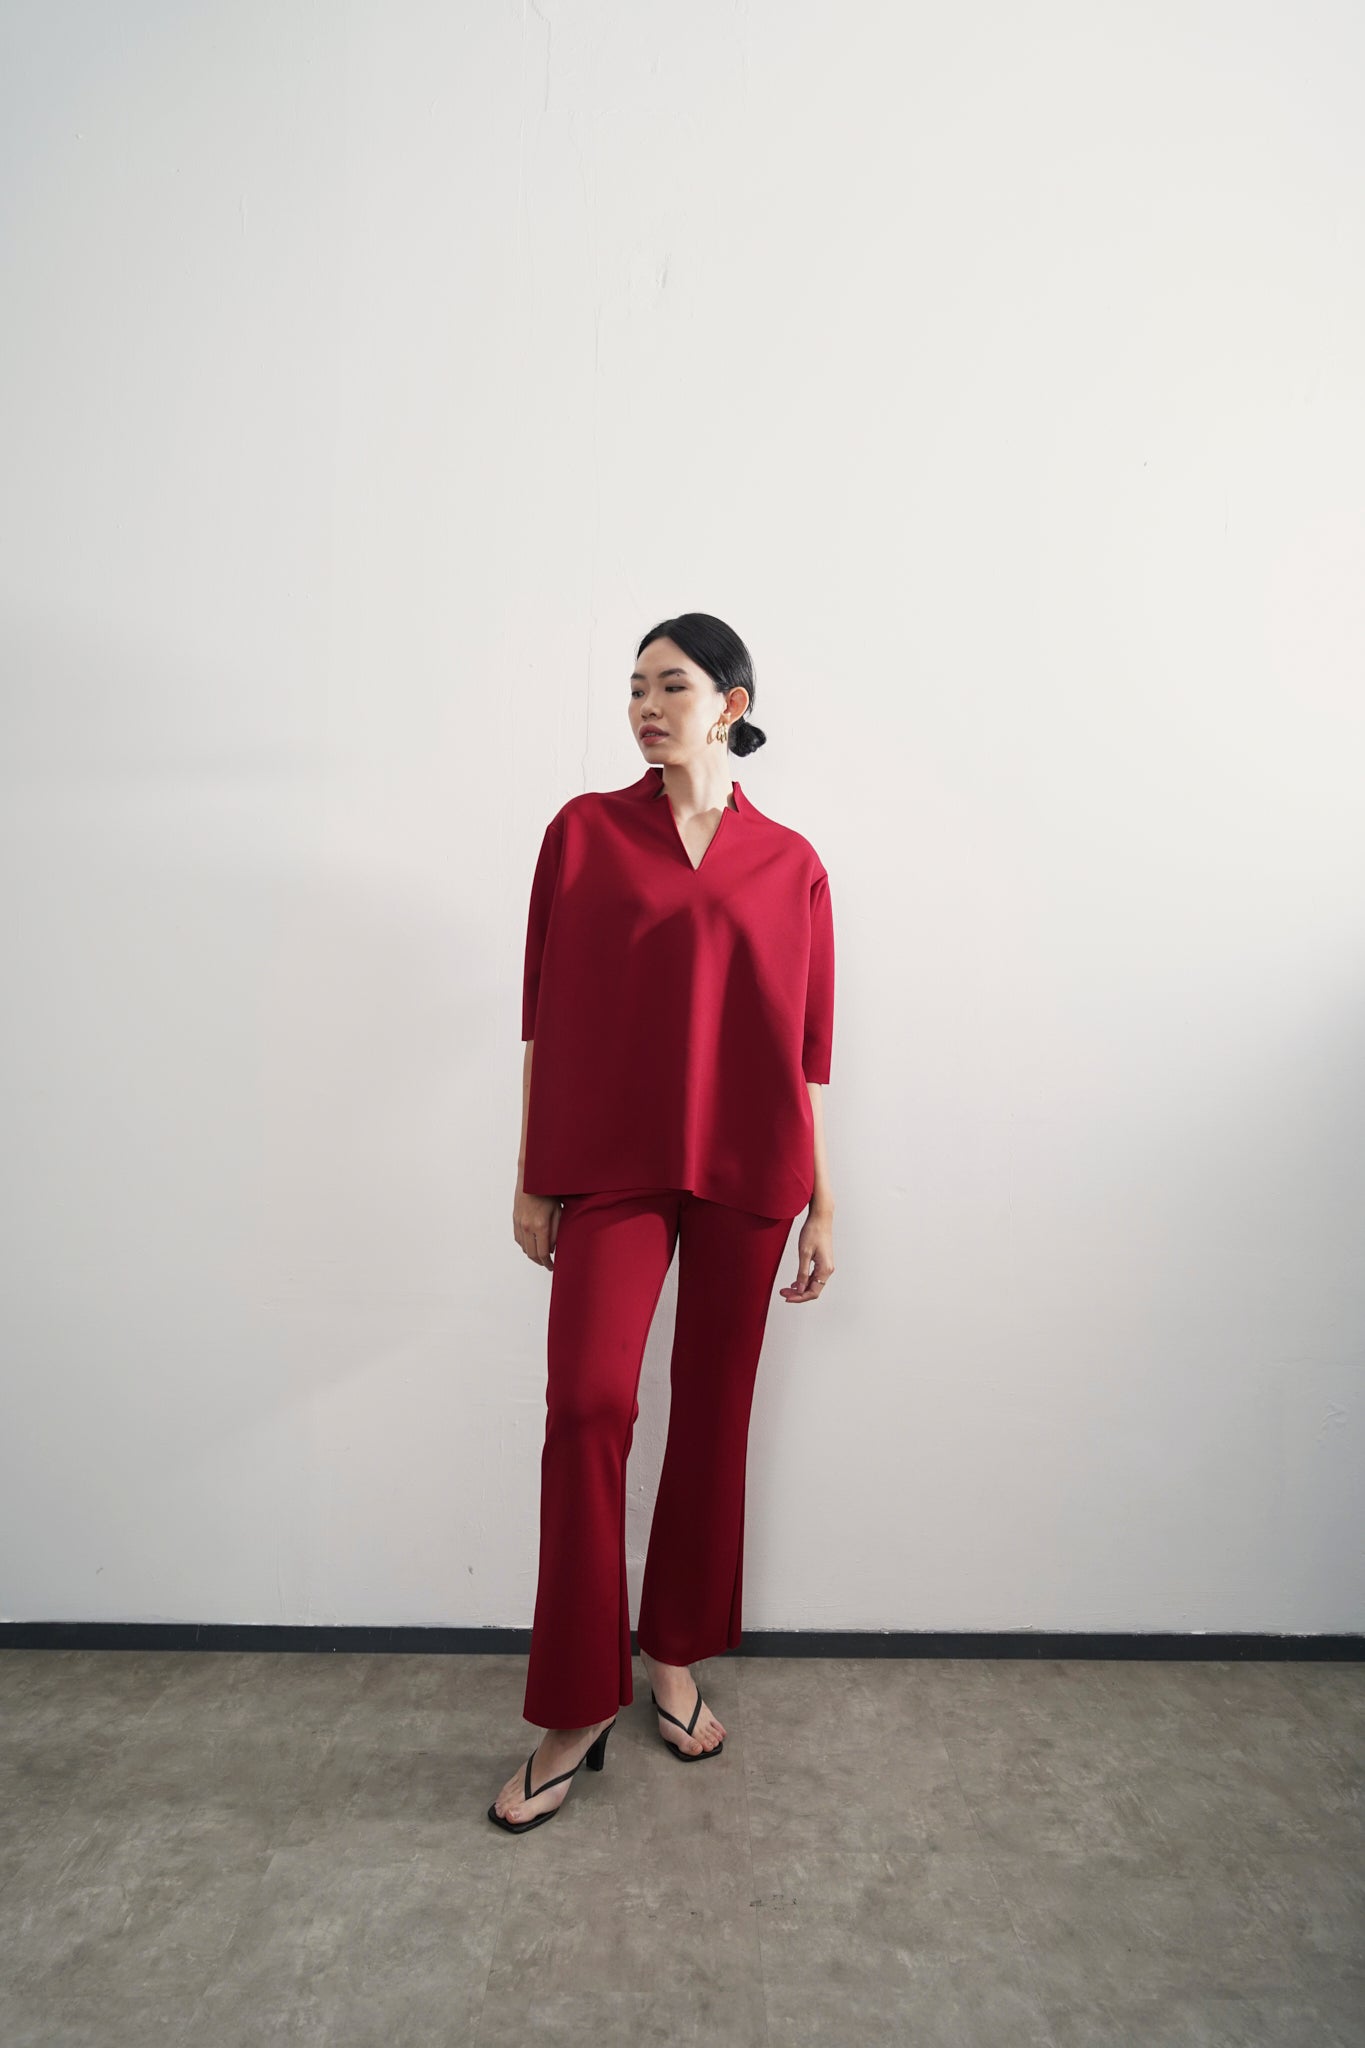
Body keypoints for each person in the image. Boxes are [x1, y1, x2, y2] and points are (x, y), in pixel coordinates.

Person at [489, 612, 836, 1832]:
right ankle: (575, 1703)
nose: (645, 705)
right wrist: (532, 1173)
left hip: (751, 1170)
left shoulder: (791, 861)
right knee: (589, 1404)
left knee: (712, 1419)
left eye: (671, 685)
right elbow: (543, 1017)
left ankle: (673, 1653)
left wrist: (824, 1199)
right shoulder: (583, 834)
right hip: (613, 1167)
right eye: (634, 686)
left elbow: (802, 1055)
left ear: (731, 703)